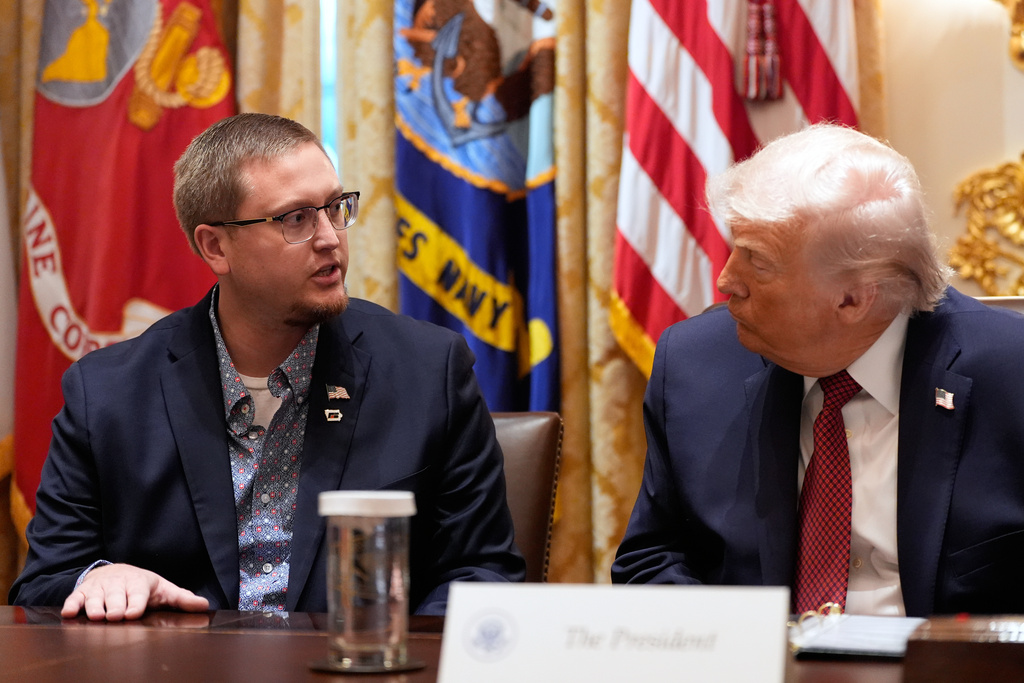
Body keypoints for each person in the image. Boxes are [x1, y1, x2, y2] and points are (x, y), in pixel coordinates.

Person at [10, 113, 525, 620]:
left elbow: (482, 574)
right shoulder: (106, 394)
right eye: (296, 218)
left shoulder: (429, 372)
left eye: (335, 207)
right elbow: (43, 584)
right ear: (216, 247)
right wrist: (97, 577)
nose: (330, 238)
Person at [611, 123, 1024, 617]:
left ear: (853, 298)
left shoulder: (1010, 375)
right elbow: (652, 558)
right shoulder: (695, 364)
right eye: (735, 248)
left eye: (757, 262)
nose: (726, 280)